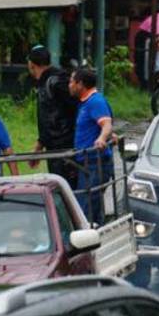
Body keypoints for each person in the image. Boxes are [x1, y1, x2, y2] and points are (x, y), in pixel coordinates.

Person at [27, 45, 80, 185]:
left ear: (31, 64)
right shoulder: (47, 81)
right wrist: (39, 147)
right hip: (55, 148)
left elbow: (77, 107)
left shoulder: (57, 81)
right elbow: (48, 120)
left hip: (65, 148)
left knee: (66, 189)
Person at [69, 67, 114, 223]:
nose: (69, 85)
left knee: (85, 207)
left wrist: (102, 138)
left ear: (80, 84)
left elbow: (106, 124)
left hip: (95, 162)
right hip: (86, 163)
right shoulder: (85, 103)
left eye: (71, 81)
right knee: (92, 207)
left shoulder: (95, 101)